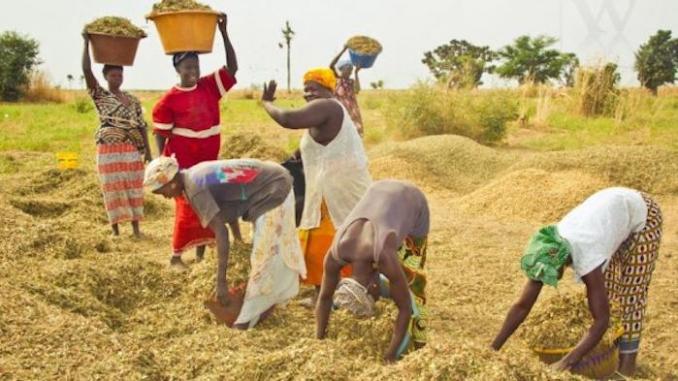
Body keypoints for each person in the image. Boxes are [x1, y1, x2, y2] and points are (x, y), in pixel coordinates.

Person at [491, 187, 663, 377]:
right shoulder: (551, 245)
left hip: (642, 213)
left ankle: (626, 370)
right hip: (610, 214)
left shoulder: (587, 256)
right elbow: (522, 305)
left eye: (549, 274)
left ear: (560, 262)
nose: (546, 280)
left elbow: (601, 321)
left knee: (629, 297)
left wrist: (566, 362)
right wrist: (492, 349)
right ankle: (611, 356)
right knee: (609, 295)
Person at [144, 156, 306, 328]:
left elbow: (221, 231)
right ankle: (265, 305)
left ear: (172, 183)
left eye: (162, 192)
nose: (165, 197)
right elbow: (227, 202)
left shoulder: (195, 188)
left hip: (273, 189)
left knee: (264, 258)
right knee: (266, 253)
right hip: (272, 181)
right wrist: (238, 240)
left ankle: (246, 319)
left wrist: (221, 282)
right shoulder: (193, 175)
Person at [261, 68, 372, 305]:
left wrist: (267, 103)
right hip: (327, 188)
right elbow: (306, 152)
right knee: (318, 242)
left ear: (328, 88)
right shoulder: (324, 114)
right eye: (305, 89)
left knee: (335, 240)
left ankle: (343, 294)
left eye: (313, 87)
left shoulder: (329, 106)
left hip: (338, 190)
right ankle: (323, 294)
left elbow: (288, 119)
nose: (307, 93)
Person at [152, 13, 240, 268]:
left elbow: (232, 69)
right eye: (187, 67)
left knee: (210, 207)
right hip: (185, 166)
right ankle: (176, 257)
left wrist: (223, 33)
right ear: (177, 69)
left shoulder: (208, 86)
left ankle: (201, 255)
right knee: (187, 209)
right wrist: (164, 163)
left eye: (196, 66)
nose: (193, 71)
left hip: (209, 161)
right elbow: (161, 134)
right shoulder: (169, 100)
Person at [315, 180, 430, 362]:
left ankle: (420, 341)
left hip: (411, 200)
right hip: (379, 189)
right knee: (398, 278)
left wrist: (390, 355)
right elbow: (325, 297)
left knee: (413, 283)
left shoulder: (384, 255)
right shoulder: (335, 254)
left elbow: (405, 308)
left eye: (373, 299)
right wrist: (319, 340)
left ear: (373, 284)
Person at [82, 31, 152, 238]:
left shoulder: (132, 100)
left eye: (120, 75)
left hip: (131, 150)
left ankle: (136, 229)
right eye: (113, 75)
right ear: (105, 77)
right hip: (108, 150)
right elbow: (86, 70)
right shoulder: (101, 96)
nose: (117, 78)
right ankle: (115, 231)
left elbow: (141, 127)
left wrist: (148, 152)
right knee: (112, 188)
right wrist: (86, 43)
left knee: (133, 187)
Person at [329, 46, 363, 136]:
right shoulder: (337, 80)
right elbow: (331, 65)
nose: (350, 72)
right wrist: (343, 50)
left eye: (351, 70)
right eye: (348, 69)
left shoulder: (351, 82)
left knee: (353, 134)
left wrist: (356, 73)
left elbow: (357, 90)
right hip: (340, 111)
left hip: (352, 111)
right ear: (341, 70)